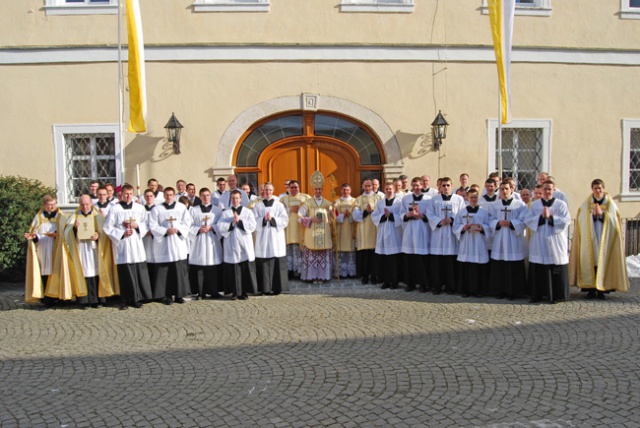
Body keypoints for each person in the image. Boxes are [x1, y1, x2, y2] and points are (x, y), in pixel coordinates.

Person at [569, 178, 630, 299]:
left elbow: (614, 222)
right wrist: (592, 215)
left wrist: (601, 215)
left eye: (600, 188)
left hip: (604, 238)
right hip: (590, 239)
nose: (598, 191)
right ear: (592, 189)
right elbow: (581, 220)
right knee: (591, 263)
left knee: (603, 262)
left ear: (603, 189)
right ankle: (591, 290)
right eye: (595, 188)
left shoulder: (610, 204)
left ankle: (602, 290)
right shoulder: (586, 204)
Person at [104, 184, 153, 309]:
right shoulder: (115, 209)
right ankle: (125, 300)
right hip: (123, 244)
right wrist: (122, 233)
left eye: (130, 193)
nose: (128, 196)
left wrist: (137, 226)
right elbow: (107, 227)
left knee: (137, 271)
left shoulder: (139, 208)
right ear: (121, 194)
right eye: (126, 194)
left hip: (136, 243)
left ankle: (136, 298)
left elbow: (146, 224)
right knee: (125, 272)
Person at [65, 195, 116, 308]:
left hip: (94, 249)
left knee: (96, 272)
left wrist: (98, 236)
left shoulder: (97, 216)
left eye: (87, 204)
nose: (85, 206)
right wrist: (74, 228)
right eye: (82, 204)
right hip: (81, 248)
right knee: (83, 272)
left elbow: (105, 232)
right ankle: (84, 300)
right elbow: (67, 233)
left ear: (91, 204)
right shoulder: (74, 216)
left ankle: (96, 300)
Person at [526, 180, 571, 304]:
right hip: (539, 239)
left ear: (554, 190)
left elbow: (566, 221)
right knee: (539, 266)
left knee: (554, 265)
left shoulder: (561, 204)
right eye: (545, 189)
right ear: (541, 191)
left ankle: (556, 295)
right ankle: (538, 294)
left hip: (555, 240)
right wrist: (541, 217)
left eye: (549, 189)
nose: (547, 192)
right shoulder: (535, 205)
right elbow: (528, 220)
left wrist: (550, 218)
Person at [149, 187, 192, 305]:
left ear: (174, 196)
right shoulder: (157, 209)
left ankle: (179, 295)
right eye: (167, 195)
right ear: (164, 196)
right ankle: (166, 295)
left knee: (178, 269)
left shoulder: (181, 207)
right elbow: (153, 225)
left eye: (171, 195)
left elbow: (187, 222)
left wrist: (178, 230)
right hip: (164, 244)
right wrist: (165, 231)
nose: (169, 197)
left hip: (177, 242)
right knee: (165, 271)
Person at [488, 180, 528, 300]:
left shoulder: (520, 205)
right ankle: (500, 290)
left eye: (506, 188)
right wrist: (498, 223)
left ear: (512, 189)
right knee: (500, 266)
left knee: (513, 266)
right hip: (500, 239)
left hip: (513, 239)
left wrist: (511, 223)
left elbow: (524, 221)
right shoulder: (495, 205)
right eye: (502, 189)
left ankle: (514, 292)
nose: (504, 191)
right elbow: (490, 219)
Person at [24, 195, 68, 304]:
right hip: (42, 248)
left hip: (56, 248)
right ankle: (47, 299)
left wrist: (57, 234)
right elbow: (35, 233)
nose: (52, 207)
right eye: (50, 205)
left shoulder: (60, 217)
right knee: (44, 272)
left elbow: (66, 232)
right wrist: (33, 237)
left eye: (54, 204)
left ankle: (59, 297)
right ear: (44, 205)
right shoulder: (39, 217)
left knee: (57, 271)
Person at [426, 176, 466, 294]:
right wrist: (439, 221)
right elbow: (429, 214)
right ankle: (437, 286)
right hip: (438, 234)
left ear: (451, 186)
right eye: (443, 185)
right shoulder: (434, 200)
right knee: (437, 263)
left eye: (448, 185)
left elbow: (463, 214)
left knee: (450, 262)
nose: (446, 187)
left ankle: (451, 286)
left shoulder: (458, 199)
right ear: (440, 187)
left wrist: (452, 219)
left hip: (452, 233)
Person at [217, 189, 258, 300]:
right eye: (233, 198)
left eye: (237, 198)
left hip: (244, 243)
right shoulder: (226, 213)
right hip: (231, 244)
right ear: (230, 199)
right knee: (233, 268)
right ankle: (234, 292)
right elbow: (220, 227)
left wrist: (239, 222)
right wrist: (232, 223)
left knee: (244, 268)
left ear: (240, 199)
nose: (235, 200)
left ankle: (244, 292)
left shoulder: (247, 212)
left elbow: (252, 225)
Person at [253, 183, 290, 295]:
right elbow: (253, 221)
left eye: (270, 190)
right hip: (263, 237)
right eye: (266, 190)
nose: (267, 192)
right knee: (263, 262)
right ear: (263, 191)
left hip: (275, 237)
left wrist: (272, 219)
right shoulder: (258, 206)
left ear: (273, 191)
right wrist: (263, 220)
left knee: (276, 260)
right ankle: (264, 288)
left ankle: (277, 288)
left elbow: (284, 220)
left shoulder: (279, 205)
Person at [453, 188, 491, 297]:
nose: (473, 199)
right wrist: (463, 227)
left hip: (479, 242)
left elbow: (490, 226)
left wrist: (482, 227)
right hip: (467, 242)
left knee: (479, 267)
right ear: (467, 198)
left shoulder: (484, 212)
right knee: (467, 267)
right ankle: (466, 290)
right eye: (471, 197)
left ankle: (479, 291)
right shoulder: (462, 212)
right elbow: (455, 226)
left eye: (475, 197)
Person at [188, 187, 224, 299]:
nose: (206, 197)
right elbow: (188, 225)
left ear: (210, 196)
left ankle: (213, 291)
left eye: (208, 195)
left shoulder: (217, 210)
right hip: (199, 241)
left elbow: (221, 225)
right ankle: (200, 292)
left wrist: (212, 227)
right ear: (200, 197)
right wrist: (198, 229)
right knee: (200, 266)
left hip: (212, 240)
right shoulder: (193, 210)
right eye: (203, 195)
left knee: (212, 266)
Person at [298, 171, 334, 283]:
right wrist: (310, 219)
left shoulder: (328, 203)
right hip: (311, 234)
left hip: (324, 233)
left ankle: (322, 276)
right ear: (313, 190)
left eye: (320, 189)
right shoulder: (307, 203)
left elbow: (333, 217)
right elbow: (299, 217)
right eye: (316, 189)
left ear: (322, 190)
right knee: (313, 255)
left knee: (322, 255)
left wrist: (333, 212)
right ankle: (312, 276)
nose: (318, 191)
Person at [400, 177, 431, 292]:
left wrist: (422, 216)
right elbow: (401, 213)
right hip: (409, 229)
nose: (415, 188)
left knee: (421, 258)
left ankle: (423, 283)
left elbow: (431, 215)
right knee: (410, 257)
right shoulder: (406, 199)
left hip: (422, 229)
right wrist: (407, 215)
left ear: (422, 185)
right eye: (413, 185)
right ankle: (410, 283)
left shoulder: (428, 199)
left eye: (417, 185)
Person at [372, 182, 403, 289]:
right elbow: (374, 215)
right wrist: (384, 216)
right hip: (383, 233)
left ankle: (395, 281)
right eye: (386, 189)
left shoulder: (399, 202)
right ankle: (386, 281)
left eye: (390, 189)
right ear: (384, 190)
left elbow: (402, 216)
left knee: (394, 259)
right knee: (384, 259)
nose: (388, 191)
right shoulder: (380, 203)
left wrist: (391, 215)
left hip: (395, 233)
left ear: (394, 189)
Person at [353, 179, 382, 284]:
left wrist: (372, 212)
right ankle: (365, 276)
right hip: (363, 231)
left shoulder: (379, 198)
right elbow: (356, 215)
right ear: (362, 186)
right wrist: (366, 212)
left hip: (376, 230)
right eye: (366, 186)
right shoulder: (358, 200)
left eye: (369, 186)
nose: (368, 188)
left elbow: (382, 213)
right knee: (364, 256)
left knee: (375, 255)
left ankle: (374, 276)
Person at [280, 180, 308, 279]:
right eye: (292, 187)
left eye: (295, 187)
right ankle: (290, 271)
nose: (294, 189)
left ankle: (300, 272)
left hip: (300, 228)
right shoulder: (283, 199)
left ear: (299, 187)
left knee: (299, 250)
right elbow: (279, 212)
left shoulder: (305, 198)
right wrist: (289, 210)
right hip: (288, 229)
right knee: (289, 250)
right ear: (288, 188)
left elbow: (309, 210)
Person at [332, 183, 357, 278]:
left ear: (350, 191)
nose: (345, 192)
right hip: (340, 230)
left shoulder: (355, 202)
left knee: (350, 251)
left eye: (347, 190)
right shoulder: (336, 202)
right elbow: (333, 217)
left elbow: (357, 216)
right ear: (341, 191)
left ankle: (351, 273)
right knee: (341, 251)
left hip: (351, 229)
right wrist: (342, 216)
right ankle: (340, 273)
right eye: (344, 190)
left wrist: (350, 215)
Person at [142, 188, 157, 289]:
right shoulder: (141, 209)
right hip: (145, 239)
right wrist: (144, 231)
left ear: (154, 197)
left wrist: (154, 231)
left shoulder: (158, 209)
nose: (149, 198)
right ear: (144, 197)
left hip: (156, 239)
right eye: (147, 196)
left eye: (151, 196)